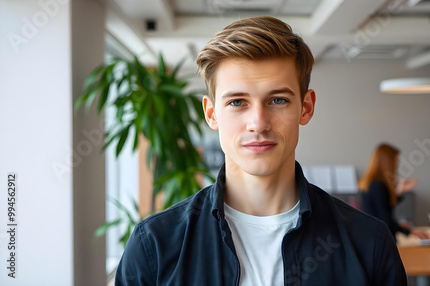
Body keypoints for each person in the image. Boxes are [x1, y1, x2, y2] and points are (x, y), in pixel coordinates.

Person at [115, 17, 407, 285]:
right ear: (212, 113)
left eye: (278, 100)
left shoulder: (369, 242)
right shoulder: (153, 245)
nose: (258, 123)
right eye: (237, 102)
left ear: (305, 108)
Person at [359, 143, 429, 241]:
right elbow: (386, 222)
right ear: (387, 162)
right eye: (395, 161)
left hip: (373, 237)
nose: (396, 165)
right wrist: (410, 231)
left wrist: (400, 191)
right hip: (380, 240)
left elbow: (383, 208)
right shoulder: (378, 186)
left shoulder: (370, 183)